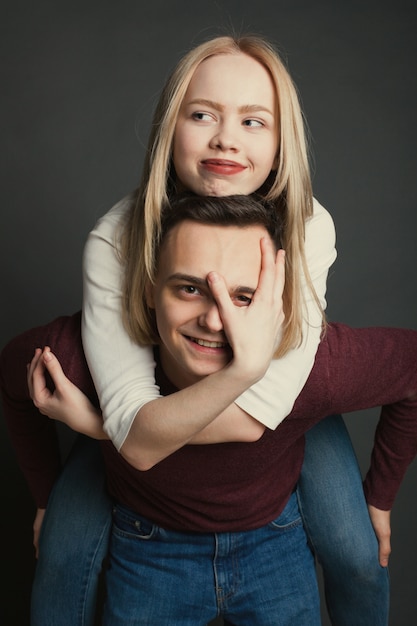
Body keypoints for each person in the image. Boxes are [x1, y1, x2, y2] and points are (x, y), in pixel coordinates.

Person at [0, 34, 388, 625]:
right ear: (169, 129)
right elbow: (136, 422)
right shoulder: (116, 238)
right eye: (202, 114)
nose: (226, 139)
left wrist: (103, 428)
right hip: (154, 408)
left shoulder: (308, 229)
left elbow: (256, 412)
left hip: (275, 411)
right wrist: (119, 432)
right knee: (62, 553)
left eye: (254, 121)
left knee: (357, 553)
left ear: (283, 143)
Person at [5, 194, 417, 625]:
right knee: (60, 556)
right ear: (147, 287)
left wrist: (381, 496)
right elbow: (11, 377)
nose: (214, 321)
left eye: (243, 297)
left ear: (276, 305)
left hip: (273, 541)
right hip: (150, 547)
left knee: (358, 554)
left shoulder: (319, 371)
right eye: (189, 288)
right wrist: (44, 495)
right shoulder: (79, 361)